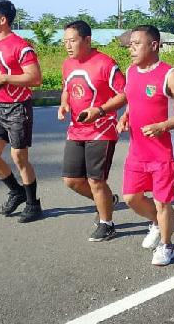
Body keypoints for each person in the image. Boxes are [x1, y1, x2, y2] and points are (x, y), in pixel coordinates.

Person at [118, 26, 174, 266]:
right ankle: (156, 223)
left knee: (162, 201)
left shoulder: (169, 74)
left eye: (137, 44)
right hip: (138, 150)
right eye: (130, 44)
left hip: (165, 151)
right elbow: (133, 99)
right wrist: (125, 116)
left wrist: (163, 126)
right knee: (131, 197)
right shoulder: (131, 71)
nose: (131, 49)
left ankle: (166, 244)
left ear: (154, 45)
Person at [58, 20, 128, 241]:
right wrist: (64, 103)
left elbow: (125, 94)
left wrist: (100, 110)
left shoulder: (105, 64)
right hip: (76, 130)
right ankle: (107, 200)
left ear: (87, 40)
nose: (68, 46)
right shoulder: (68, 64)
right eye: (65, 41)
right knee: (71, 180)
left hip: (102, 130)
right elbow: (67, 88)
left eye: (73, 41)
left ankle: (107, 223)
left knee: (96, 181)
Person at [0, 0, 43, 223]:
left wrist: (5, 78)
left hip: (18, 107)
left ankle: (33, 204)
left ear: (3, 19)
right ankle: (16, 192)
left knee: (19, 157)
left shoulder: (20, 46)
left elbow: (35, 78)